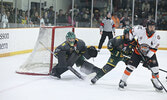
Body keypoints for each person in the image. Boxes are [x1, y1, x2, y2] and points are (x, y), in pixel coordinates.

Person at [118, 20, 163, 91]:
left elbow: (154, 49)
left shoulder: (156, 37)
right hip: (138, 52)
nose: (152, 28)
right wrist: (130, 40)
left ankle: (155, 82)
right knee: (130, 66)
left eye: (153, 27)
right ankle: (122, 81)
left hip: (149, 54)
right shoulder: (140, 30)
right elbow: (130, 31)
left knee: (155, 68)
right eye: (150, 27)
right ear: (147, 27)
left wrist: (147, 58)